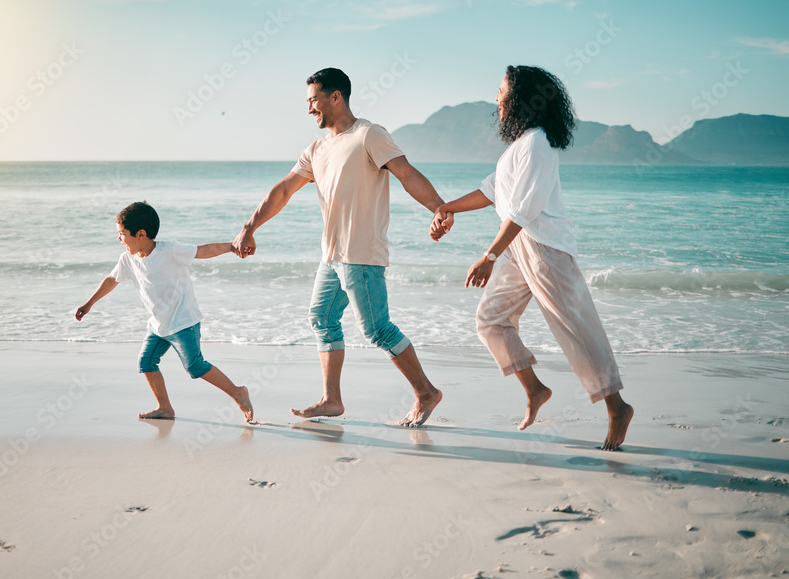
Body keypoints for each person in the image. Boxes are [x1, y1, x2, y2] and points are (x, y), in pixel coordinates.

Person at [430, 65, 634, 450]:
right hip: (519, 245)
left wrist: (489, 255)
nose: (496, 98)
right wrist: (446, 207)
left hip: (545, 247)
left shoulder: (538, 144)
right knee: (490, 320)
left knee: (576, 328)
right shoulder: (519, 146)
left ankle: (617, 407)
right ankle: (535, 389)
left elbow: (522, 211)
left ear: (521, 99)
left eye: (501, 91)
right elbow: (491, 192)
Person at [232, 67, 445, 428]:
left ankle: (426, 392)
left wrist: (440, 208)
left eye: (313, 100)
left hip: (360, 252)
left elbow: (406, 173)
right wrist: (250, 225)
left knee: (377, 329)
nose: (309, 109)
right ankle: (332, 399)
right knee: (322, 317)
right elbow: (283, 190)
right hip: (332, 256)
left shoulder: (368, 135)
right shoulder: (316, 149)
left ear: (336, 97)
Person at [76, 201, 254, 423]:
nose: (119, 239)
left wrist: (231, 246)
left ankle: (238, 392)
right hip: (159, 325)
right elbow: (112, 280)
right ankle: (165, 408)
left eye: (122, 234)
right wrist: (89, 303)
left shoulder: (169, 251)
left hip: (183, 322)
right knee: (146, 362)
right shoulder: (128, 259)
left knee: (195, 367)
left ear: (141, 234)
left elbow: (202, 251)